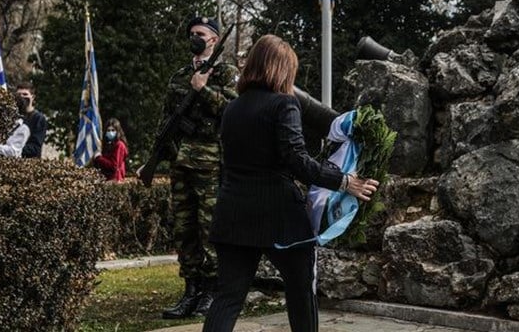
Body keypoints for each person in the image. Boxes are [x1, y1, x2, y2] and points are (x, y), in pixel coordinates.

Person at [202, 35, 379, 332]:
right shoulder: (284, 104)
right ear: (282, 69)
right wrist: (345, 181)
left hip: (232, 212)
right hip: (280, 216)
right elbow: (297, 160)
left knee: (228, 298)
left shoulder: (232, 108)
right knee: (300, 289)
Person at [153, 16, 238, 319]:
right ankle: (190, 291)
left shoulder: (226, 73)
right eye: (191, 33)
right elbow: (167, 118)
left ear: (214, 39)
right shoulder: (179, 75)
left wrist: (203, 89)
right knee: (183, 228)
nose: (194, 37)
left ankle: (212, 292)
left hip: (211, 163)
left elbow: (233, 111)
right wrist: (157, 154)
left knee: (209, 228)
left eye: (200, 34)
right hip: (181, 163)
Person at [15, 82, 48, 159]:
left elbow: (35, 147)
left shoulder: (39, 118)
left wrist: (14, 150)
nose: (22, 97)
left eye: (25, 94)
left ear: (32, 97)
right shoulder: (11, 117)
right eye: (19, 95)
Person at [92, 117, 129, 182]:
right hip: (106, 179)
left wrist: (99, 158)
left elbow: (114, 166)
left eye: (113, 130)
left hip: (115, 180)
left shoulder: (119, 145)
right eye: (108, 130)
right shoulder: (108, 145)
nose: (110, 132)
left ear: (117, 131)